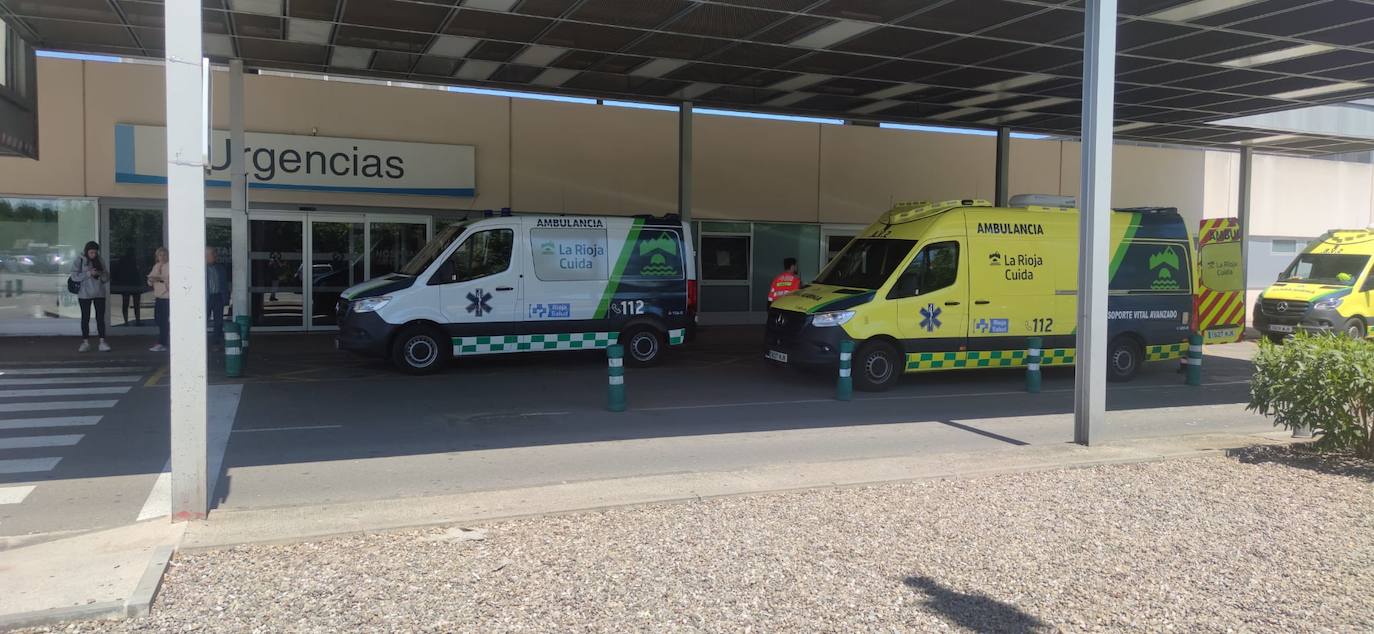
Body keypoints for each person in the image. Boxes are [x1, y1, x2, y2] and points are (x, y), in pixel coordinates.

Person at [70, 241, 111, 352]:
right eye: (91, 252)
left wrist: (100, 274)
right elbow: (74, 276)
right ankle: (85, 342)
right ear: (86, 251)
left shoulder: (100, 260)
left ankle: (102, 342)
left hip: (99, 293)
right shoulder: (79, 260)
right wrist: (88, 273)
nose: (93, 255)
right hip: (84, 293)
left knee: (100, 318)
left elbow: (106, 277)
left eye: (95, 252)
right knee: (85, 317)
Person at [112, 249, 143, 326]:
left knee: (126, 304)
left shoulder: (123, 261)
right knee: (136, 304)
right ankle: (137, 321)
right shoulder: (134, 261)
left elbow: (116, 272)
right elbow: (138, 273)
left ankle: (126, 322)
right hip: (134, 285)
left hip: (126, 285)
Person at [147, 247, 169, 352]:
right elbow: (150, 280)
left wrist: (159, 278)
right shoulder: (156, 266)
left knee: (164, 321)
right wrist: (151, 280)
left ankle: (162, 342)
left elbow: (170, 279)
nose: (162, 257)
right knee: (158, 319)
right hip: (159, 297)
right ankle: (163, 340)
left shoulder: (170, 266)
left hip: (167, 297)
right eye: (160, 255)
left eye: (164, 255)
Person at [206, 247, 228, 346]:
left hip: (218, 296)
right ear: (206, 256)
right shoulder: (200, 268)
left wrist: (226, 298)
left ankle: (216, 342)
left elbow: (224, 284)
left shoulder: (220, 268)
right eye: (213, 254)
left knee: (218, 321)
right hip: (205, 298)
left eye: (215, 254)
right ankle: (201, 342)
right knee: (203, 320)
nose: (215, 256)